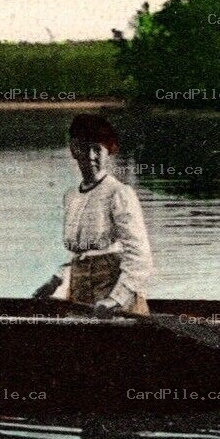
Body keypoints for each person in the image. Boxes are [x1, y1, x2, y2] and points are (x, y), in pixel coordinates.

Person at [32, 114, 153, 316]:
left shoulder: (119, 194)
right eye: (83, 147)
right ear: (73, 150)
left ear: (109, 151)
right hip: (80, 292)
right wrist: (55, 280)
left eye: (97, 149)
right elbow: (79, 254)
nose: (90, 156)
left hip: (113, 292)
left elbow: (140, 256)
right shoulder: (71, 196)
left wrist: (114, 299)